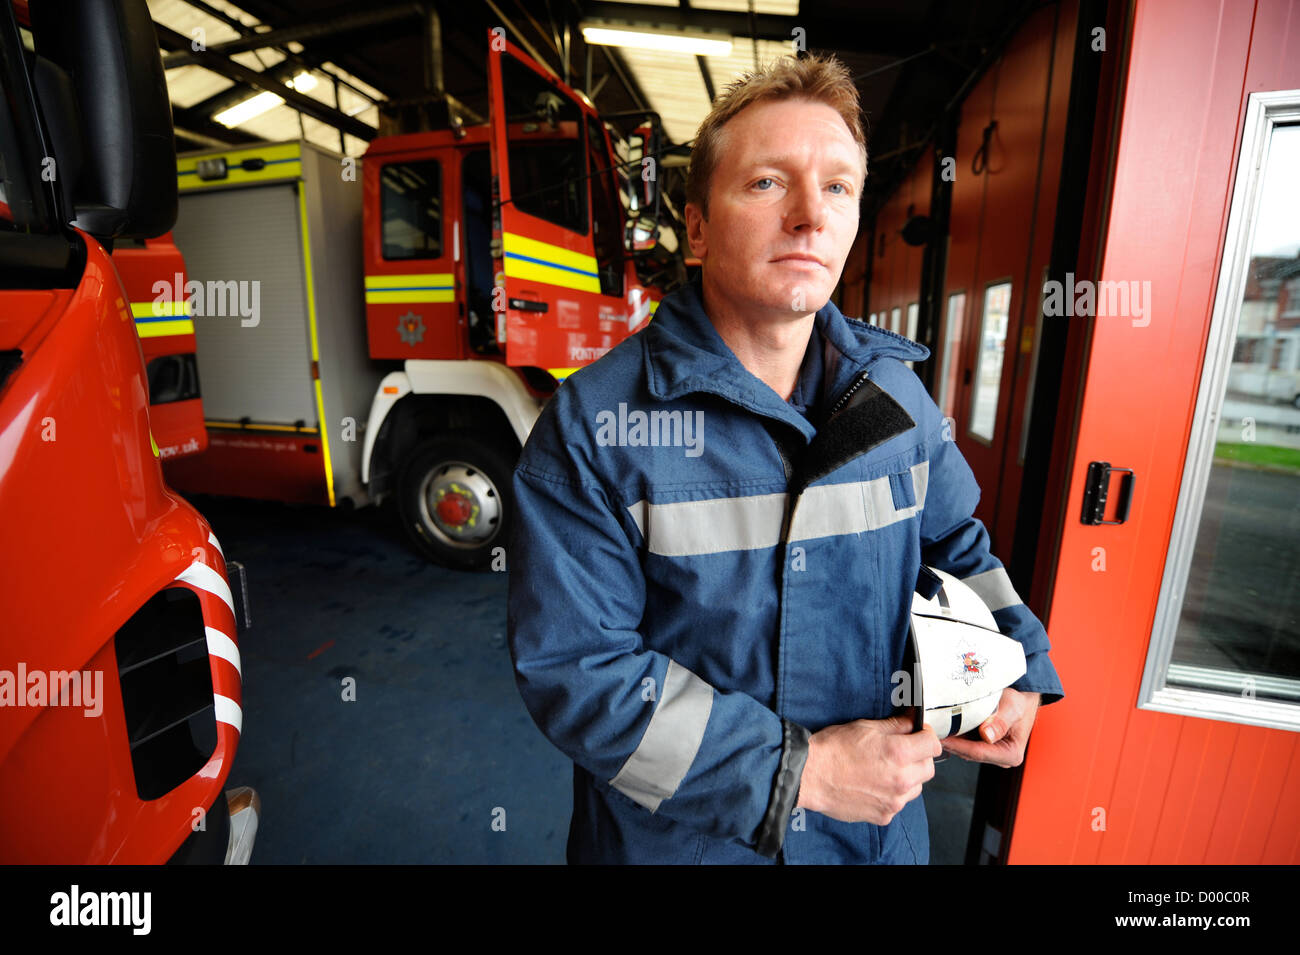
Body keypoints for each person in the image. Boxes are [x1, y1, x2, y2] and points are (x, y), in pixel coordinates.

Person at [506, 53, 1064, 864]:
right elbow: (578, 671)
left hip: (875, 840)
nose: (810, 214)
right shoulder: (596, 428)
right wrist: (800, 773)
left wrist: (1018, 658)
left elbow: (956, 542)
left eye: (837, 186)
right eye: (768, 182)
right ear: (695, 228)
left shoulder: (898, 402)